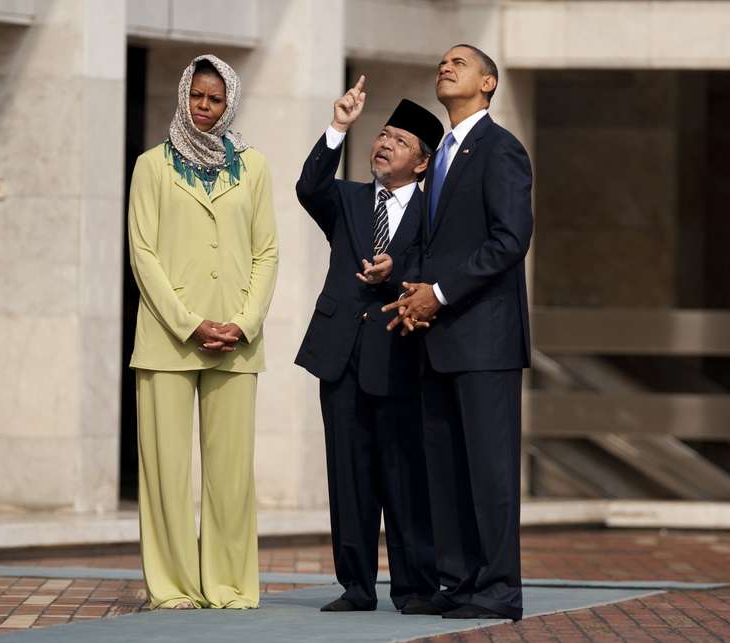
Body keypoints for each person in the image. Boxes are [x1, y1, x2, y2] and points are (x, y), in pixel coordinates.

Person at [384, 44, 533, 621]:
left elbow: (509, 239)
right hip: (437, 337)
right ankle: (461, 582)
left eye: (461, 64)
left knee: (490, 471)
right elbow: (432, 240)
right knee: (445, 469)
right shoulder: (441, 154)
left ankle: (498, 590)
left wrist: (439, 293)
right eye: (442, 62)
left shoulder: (501, 149)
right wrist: (410, 288)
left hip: (486, 340)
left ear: (488, 83)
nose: (445, 67)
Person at [127, 54, 278, 610]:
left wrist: (242, 323)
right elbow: (143, 254)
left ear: (229, 101)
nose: (205, 109)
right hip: (168, 341)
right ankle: (171, 587)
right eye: (197, 97)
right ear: (184, 96)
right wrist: (191, 325)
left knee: (231, 475)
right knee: (166, 474)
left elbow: (266, 251)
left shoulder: (255, 166)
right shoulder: (151, 165)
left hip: (237, 344)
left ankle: (230, 584)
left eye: (215, 100)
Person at [295, 76, 443, 614]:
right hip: (341, 355)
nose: (384, 144)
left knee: (405, 475)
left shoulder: (435, 212)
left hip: (401, 356)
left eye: (400, 141)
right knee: (349, 474)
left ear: (422, 162)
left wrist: (396, 270)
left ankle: (415, 587)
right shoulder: (349, 199)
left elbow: (439, 272)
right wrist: (339, 125)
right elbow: (308, 187)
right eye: (382, 134)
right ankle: (355, 586)